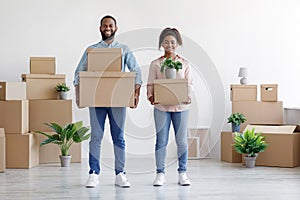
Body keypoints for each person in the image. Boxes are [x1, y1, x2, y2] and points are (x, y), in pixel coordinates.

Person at [73, 15, 142, 188]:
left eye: (110, 25)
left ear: (116, 28)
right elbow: (78, 73)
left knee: (118, 137)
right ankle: (94, 173)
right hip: (97, 100)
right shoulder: (92, 50)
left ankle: (120, 174)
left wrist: (136, 94)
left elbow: (136, 71)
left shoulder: (124, 50)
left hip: (118, 99)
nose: (107, 28)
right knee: (96, 137)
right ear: (100, 28)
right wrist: (79, 94)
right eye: (105, 25)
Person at [147, 28, 193, 186]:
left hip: (181, 108)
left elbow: (189, 85)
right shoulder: (156, 64)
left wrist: (188, 97)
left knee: (181, 141)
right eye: (166, 42)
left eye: (173, 42)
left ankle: (182, 173)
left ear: (178, 43)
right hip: (161, 108)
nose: (169, 45)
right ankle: (160, 174)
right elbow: (151, 84)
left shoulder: (184, 63)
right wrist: (151, 96)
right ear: (161, 43)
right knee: (161, 141)